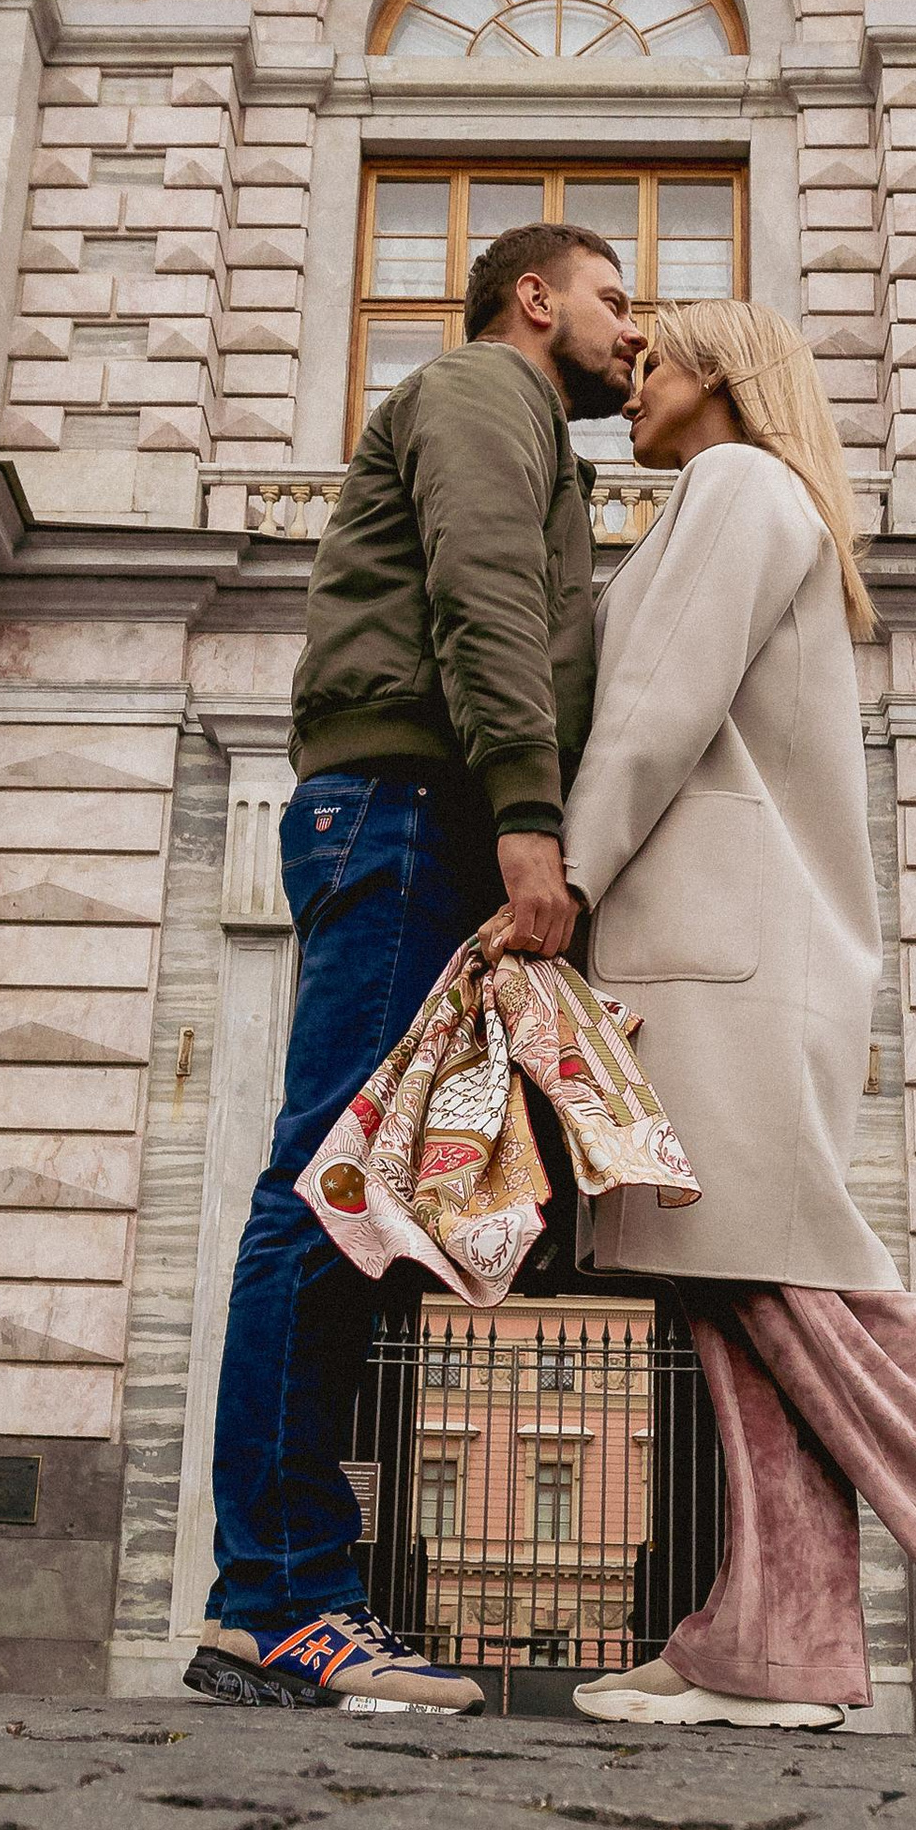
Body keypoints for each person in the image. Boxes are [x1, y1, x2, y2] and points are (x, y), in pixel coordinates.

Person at [537, 301, 916, 1743]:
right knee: (733, 1286)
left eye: (657, 358)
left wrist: (567, 875)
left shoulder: (739, 484)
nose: (634, 379)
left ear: (724, 375)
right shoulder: (745, 500)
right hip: (722, 948)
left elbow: (653, 712)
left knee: (801, 1279)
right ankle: (776, 1640)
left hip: (724, 953)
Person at [189, 219, 643, 1713]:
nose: (634, 329)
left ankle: (302, 1594)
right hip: (412, 808)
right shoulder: (480, 389)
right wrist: (526, 812)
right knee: (333, 1191)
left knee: (370, 1203)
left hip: (413, 809)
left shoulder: (522, 424)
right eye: (614, 297)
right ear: (536, 297)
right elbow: (485, 591)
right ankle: (278, 1600)